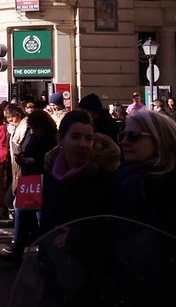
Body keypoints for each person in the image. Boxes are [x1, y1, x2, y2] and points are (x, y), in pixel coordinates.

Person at [38, 110, 120, 305]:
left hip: (93, 280)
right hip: (57, 276)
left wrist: (78, 237)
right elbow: (48, 221)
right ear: (60, 139)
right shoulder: (51, 175)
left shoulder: (106, 178)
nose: (83, 144)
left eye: (88, 138)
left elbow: (117, 231)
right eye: (75, 137)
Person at [0, 109, 57, 264]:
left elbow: (48, 158)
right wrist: (23, 158)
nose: (32, 129)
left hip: (40, 177)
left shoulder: (49, 137)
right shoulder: (40, 135)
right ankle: (25, 248)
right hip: (31, 177)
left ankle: (28, 249)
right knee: (28, 212)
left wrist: (31, 160)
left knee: (33, 213)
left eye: (34, 127)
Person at [115, 109, 176, 238]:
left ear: (160, 140)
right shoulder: (124, 178)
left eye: (134, 136)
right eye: (122, 135)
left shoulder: (171, 188)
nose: (124, 142)